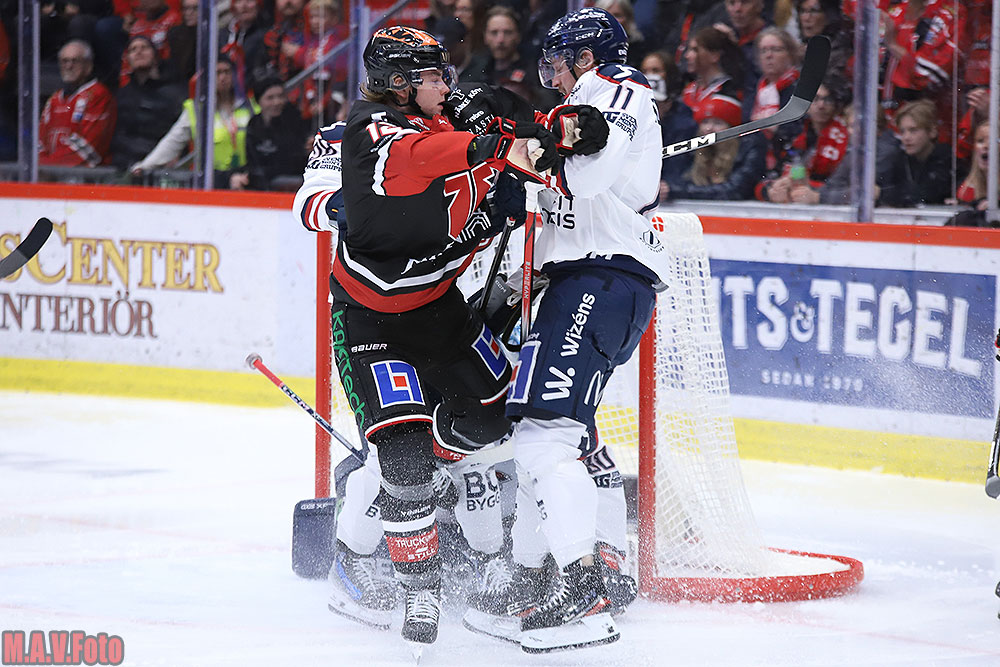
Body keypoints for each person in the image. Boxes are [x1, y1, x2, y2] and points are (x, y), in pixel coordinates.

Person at [327, 25, 561, 647]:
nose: (446, 83)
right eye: (432, 75)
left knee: (496, 419)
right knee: (401, 461)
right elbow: (413, 162)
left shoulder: (450, 115)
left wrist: (549, 139)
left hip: (442, 311)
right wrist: (487, 145)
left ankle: (425, 474)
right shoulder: (369, 128)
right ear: (398, 82)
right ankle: (419, 586)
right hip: (373, 321)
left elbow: (521, 138)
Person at [472, 6, 664, 652]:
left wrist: (539, 150)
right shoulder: (596, 99)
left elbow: (588, 176)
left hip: (600, 278)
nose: (551, 75)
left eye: (557, 62)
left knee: (547, 439)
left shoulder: (611, 88)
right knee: (539, 435)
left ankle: (584, 592)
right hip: (583, 281)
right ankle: (533, 578)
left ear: (584, 58)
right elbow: (568, 180)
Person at [130, 54, 256, 189]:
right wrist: (145, 166)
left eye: (227, 72)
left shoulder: (250, 107)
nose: (223, 77)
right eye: (217, 73)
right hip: (211, 182)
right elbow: (173, 141)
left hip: (244, 181)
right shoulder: (197, 110)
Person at [757, 80, 848, 202]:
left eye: (828, 100)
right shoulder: (794, 135)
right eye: (815, 99)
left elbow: (846, 190)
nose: (821, 105)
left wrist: (814, 193)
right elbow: (767, 177)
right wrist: (771, 190)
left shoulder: (847, 139)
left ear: (837, 105)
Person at [664, 96, 767, 201]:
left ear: (732, 129)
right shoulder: (692, 149)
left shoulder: (748, 148)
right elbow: (679, 180)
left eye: (718, 123)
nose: (709, 128)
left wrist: (675, 191)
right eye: (705, 122)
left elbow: (734, 191)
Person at [111, 35, 185, 172]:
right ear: (128, 59)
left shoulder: (176, 93)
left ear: (156, 57)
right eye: (133, 49)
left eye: (144, 47)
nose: (138, 52)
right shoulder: (121, 94)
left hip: (160, 167)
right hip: (124, 167)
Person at [39, 39, 117, 168]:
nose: (69, 66)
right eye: (64, 61)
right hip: (50, 174)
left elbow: (90, 148)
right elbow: (40, 141)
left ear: (88, 65)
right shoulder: (54, 99)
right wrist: (40, 167)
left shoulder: (99, 95)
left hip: (86, 176)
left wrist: (47, 168)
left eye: (75, 61)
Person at [231, 77, 309, 191]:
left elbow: (294, 161)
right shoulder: (254, 124)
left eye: (280, 96)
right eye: (270, 98)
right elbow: (252, 160)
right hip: (259, 183)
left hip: (288, 182)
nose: (277, 102)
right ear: (259, 101)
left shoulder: (294, 121)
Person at [877, 99, 952, 207]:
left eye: (913, 130)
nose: (906, 137)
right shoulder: (900, 159)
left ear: (932, 132)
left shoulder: (946, 158)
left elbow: (927, 194)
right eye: (902, 131)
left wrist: (881, 193)